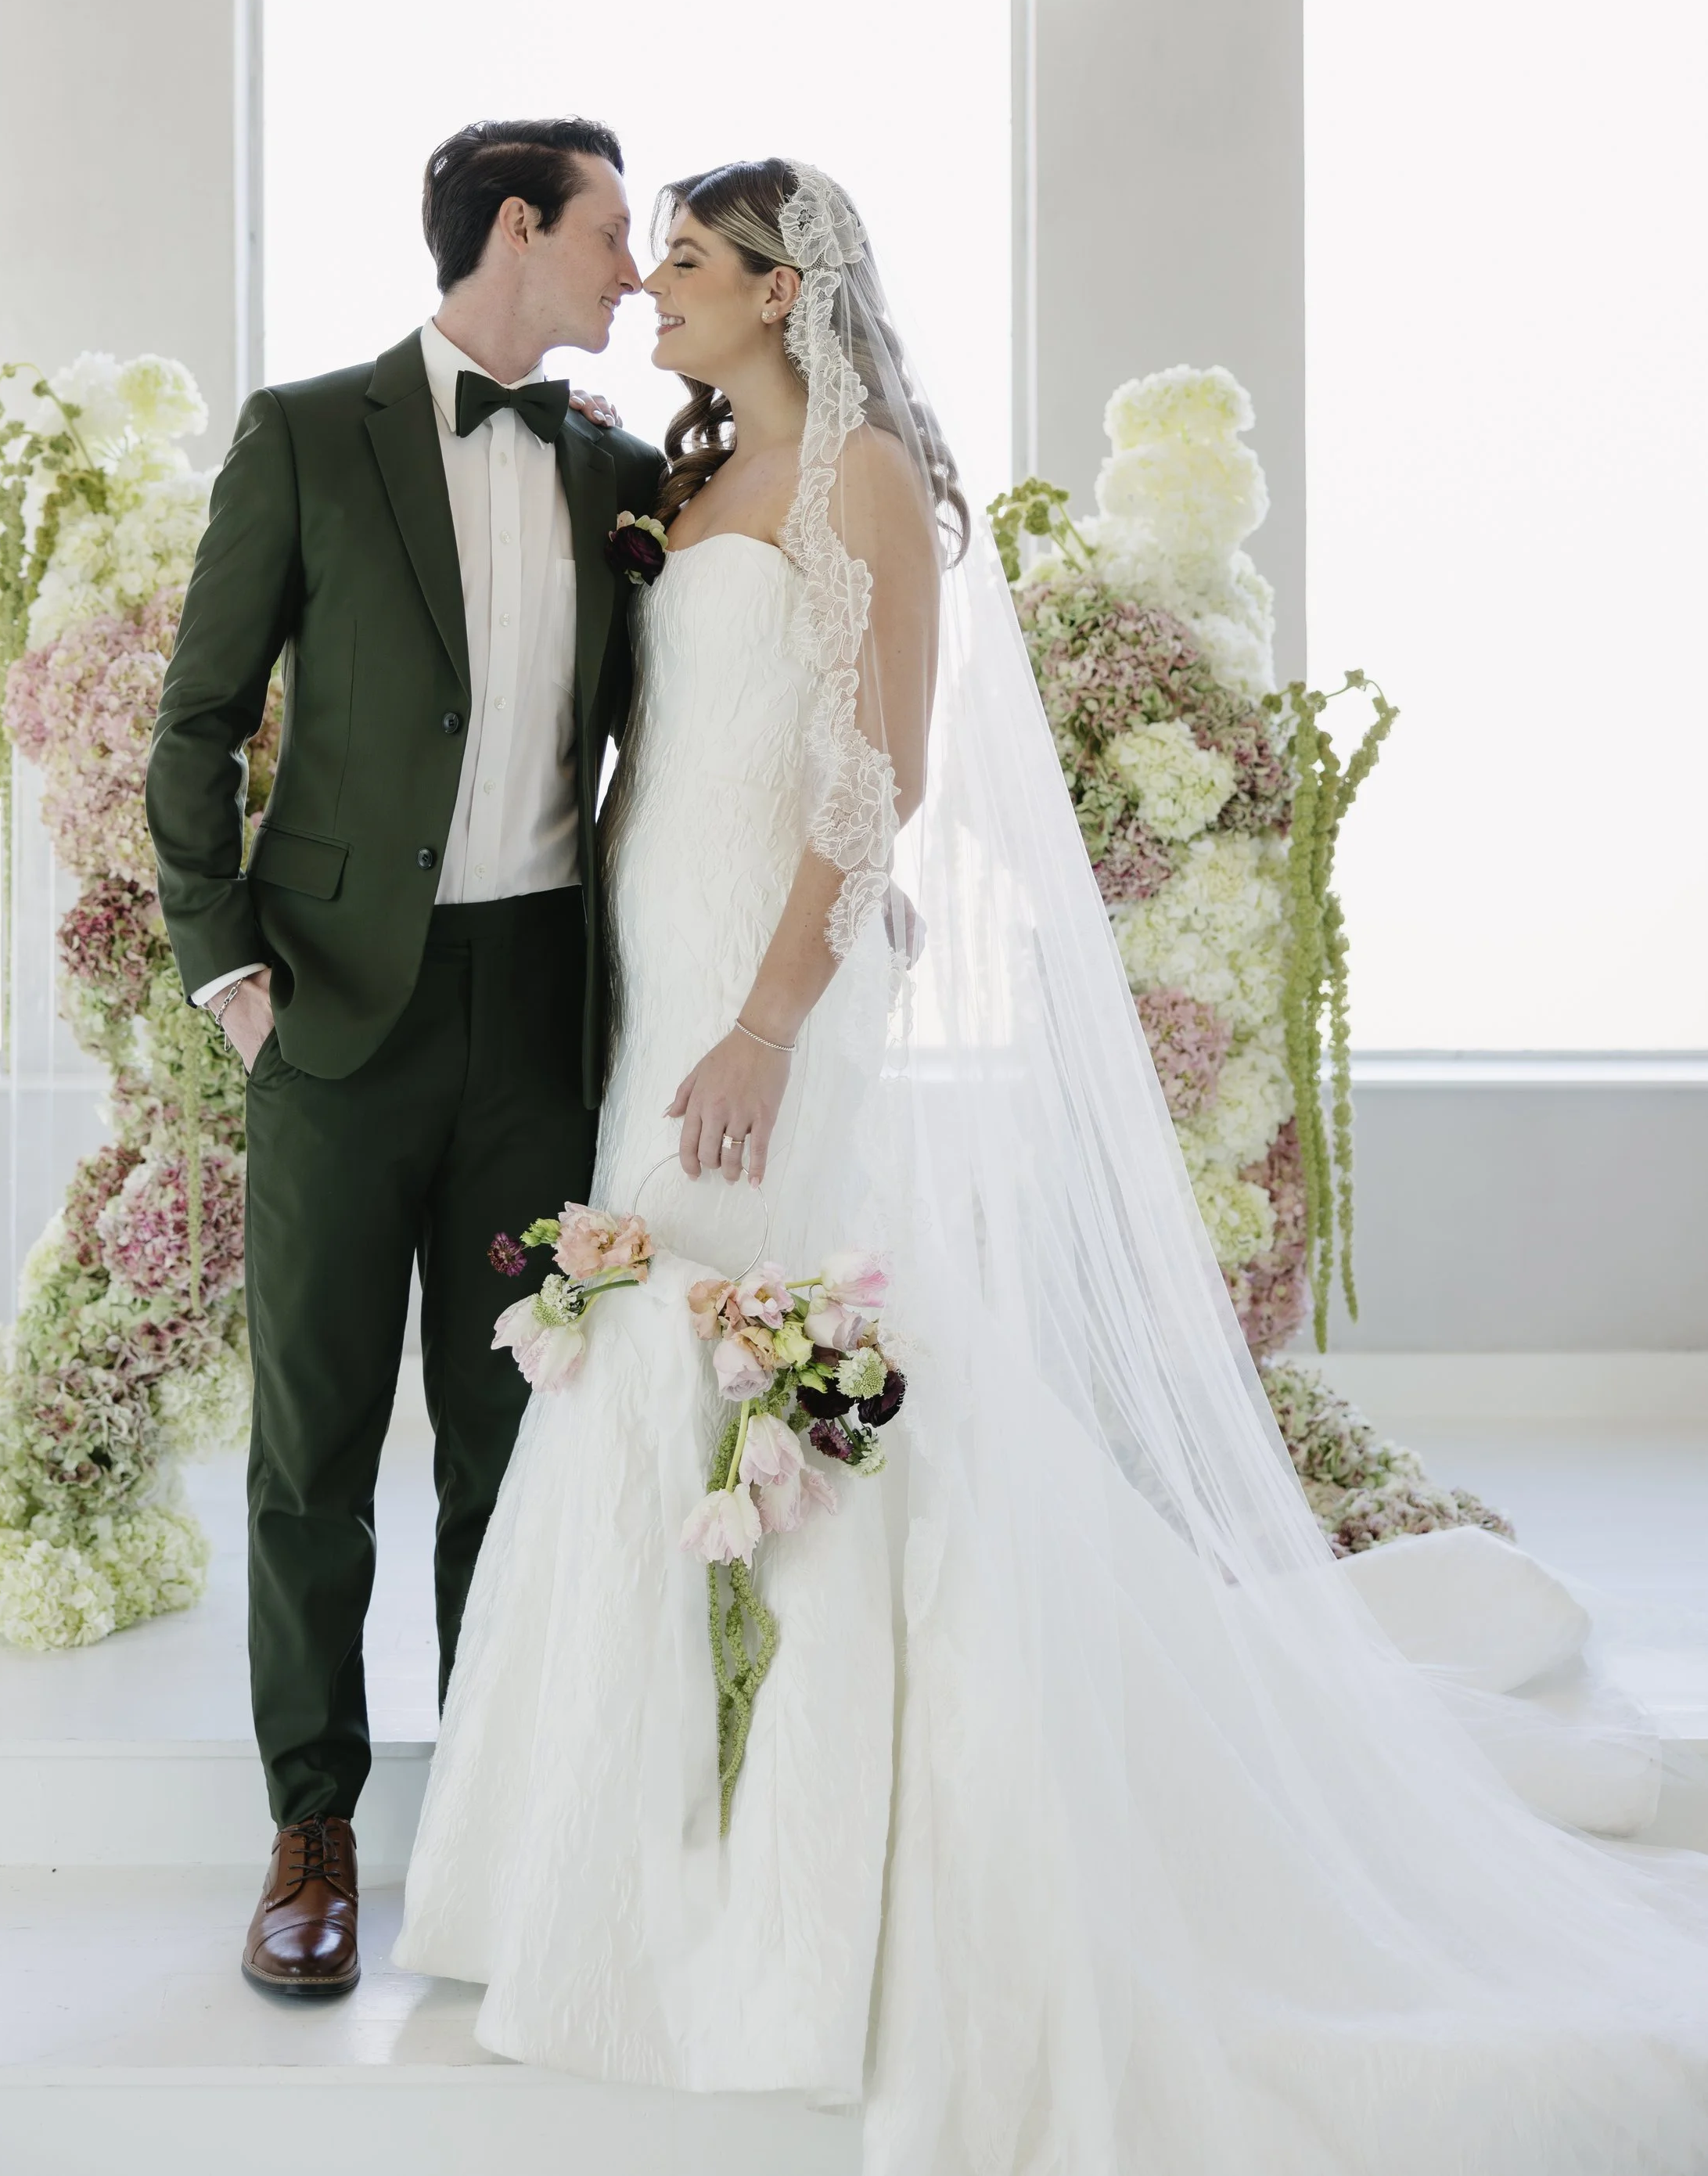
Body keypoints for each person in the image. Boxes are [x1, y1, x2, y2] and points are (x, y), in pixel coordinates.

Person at [397, 156, 1708, 2172]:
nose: (652, 287)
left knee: (772, 1334)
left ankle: (790, 1874)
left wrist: (770, 1016)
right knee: (652, 1335)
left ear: (782, 287)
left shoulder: (860, 481)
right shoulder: (692, 474)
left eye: (685, 260)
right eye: (642, 256)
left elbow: (878, 775)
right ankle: (617, 1861)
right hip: (659, 965)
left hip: (763, 985)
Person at [145, 116, 663, 1998]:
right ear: (516, 228)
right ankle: (313, 1831)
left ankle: (498, 1835)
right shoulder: (307, 434)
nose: (631, 268)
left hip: (537, 1015)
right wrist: (232, 977)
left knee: (510, 1438)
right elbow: (196, 720)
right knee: (316, 1445)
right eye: (608, 231)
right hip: (336, 1011)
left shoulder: (620, 471)